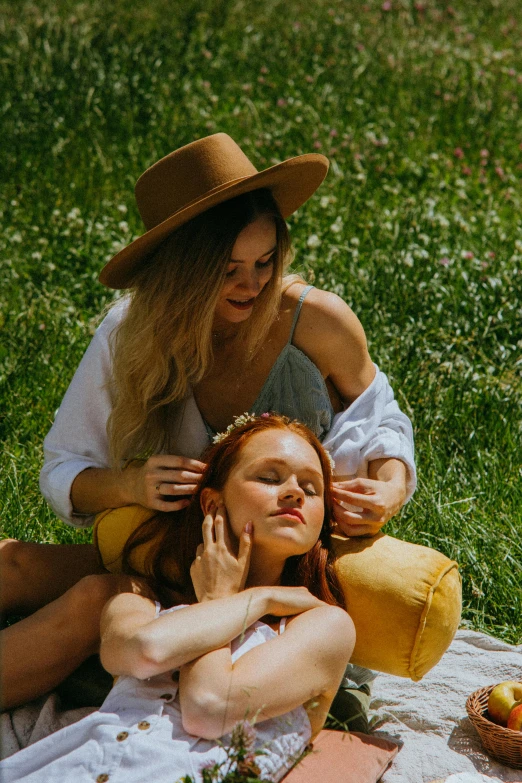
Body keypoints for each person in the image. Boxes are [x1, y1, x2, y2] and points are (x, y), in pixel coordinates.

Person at [1, 132, 415, 711]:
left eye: (265, 262)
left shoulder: (315, 322)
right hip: (168, 553)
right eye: (227, 270)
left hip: (285, 572)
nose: (252, 285)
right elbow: (64, 468)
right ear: (182, 273)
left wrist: (391, 485)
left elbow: (382, 420)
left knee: (96, 606)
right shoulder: (132, 334)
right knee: (10, 563)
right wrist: (129, 484)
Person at [0, 415, 355, 783]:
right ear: (212, 502)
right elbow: (143, 652)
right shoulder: (138, 600)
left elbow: (208, 707)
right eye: (268, 477)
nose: (294, 492)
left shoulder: (324, 626)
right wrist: (250, 598)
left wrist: (221, 601)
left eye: (311, 489)